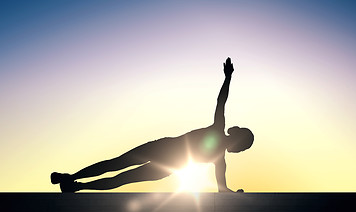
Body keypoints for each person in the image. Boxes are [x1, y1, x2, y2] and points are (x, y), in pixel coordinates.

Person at [51, 57, 254, 193]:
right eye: (243, 146)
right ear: (237, 141)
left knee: (117, 169)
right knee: (118, 172)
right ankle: (75, 183)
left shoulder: (220, 150)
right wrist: (227, 78)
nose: (239, 149)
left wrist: (228, 77)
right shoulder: (219, 149)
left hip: (164, 155)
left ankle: (75, 182)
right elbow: (221, 101)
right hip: (164, 156)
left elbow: (222, 189)